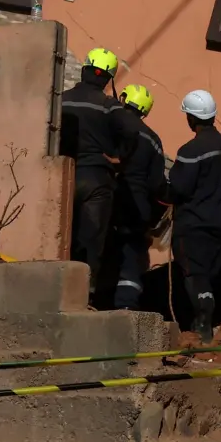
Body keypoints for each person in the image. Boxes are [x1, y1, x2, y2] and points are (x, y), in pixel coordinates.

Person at [166, 89, 221, 342]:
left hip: (193, 225)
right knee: (209, 275)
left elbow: (178, 188)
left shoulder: (191, 150)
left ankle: (202, 324)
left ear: (191, 118)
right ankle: (205, 323)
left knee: (194, 275)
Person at [60, 48, 128, 305]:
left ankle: (56, 289)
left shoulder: (61, 99)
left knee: (61, 235)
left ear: (84, 70)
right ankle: (83, 296)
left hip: (62, 176)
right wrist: (121, 158)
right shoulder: (109, 106)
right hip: (97, 180)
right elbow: (133, 132)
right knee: (91, 239)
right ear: (107, 79)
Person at [109, 84, 166, 311]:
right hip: (137, 205)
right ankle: (125, 306)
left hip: (108, 198)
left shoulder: (112, 125)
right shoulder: (153, 139)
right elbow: (156, 183)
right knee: (132, 255)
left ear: (124, 99)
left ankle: (90, 298)